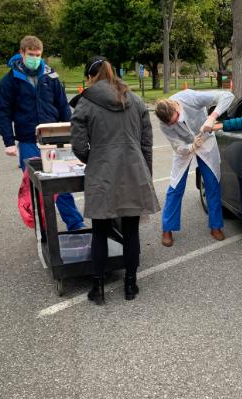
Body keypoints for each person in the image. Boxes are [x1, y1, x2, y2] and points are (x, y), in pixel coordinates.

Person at [71, 56, 159, 305]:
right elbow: (147, 144)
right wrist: (145, 174)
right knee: (131, 229)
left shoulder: (85, 103)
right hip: (134, 171)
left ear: (90, 77)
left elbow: (78, 145)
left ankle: (97, 287)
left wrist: (95, 158)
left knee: (99, 230)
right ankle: (130, 284)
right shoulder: (136, 99)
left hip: (102, 173)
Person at [0, 35, 84, 231]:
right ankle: (43, 228)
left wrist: (69, 134)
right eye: (31, 55)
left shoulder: (51, 77)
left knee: (62, 182)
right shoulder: (10, 80)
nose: (35, 58)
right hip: (28, 140)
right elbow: (3, 112)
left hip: (53, 139)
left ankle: (75, 223)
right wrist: (8, 141)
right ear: (22, 53)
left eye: (38, 55)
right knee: (35, 186)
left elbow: (63, 107)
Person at [154, 89, 234, 247]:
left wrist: (212, 117)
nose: (174, 123)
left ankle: (215, 226)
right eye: (171, 123)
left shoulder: (190, 98)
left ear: (177, 108)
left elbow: (227, 96)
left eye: (175, 119)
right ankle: (167, 229)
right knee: (175, 187)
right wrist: (190, 147)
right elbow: (177, 147)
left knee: (212, 184)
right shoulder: (165, 124)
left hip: (206, 140)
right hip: (185, 148)